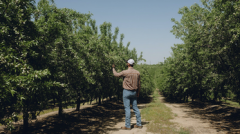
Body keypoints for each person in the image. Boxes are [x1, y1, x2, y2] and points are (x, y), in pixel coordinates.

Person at [112, 59, 142, 130]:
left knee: (127, 108)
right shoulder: (137, 73)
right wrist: (138, 92)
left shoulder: (125, 72)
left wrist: (113, 68)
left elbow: (116, 75)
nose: (126, 63)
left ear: (128, 64)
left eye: (127, 62)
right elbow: (139, 84)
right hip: (134, 92)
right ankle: (139, 124)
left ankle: (128, 126)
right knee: (135, 108)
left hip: (126, 92)